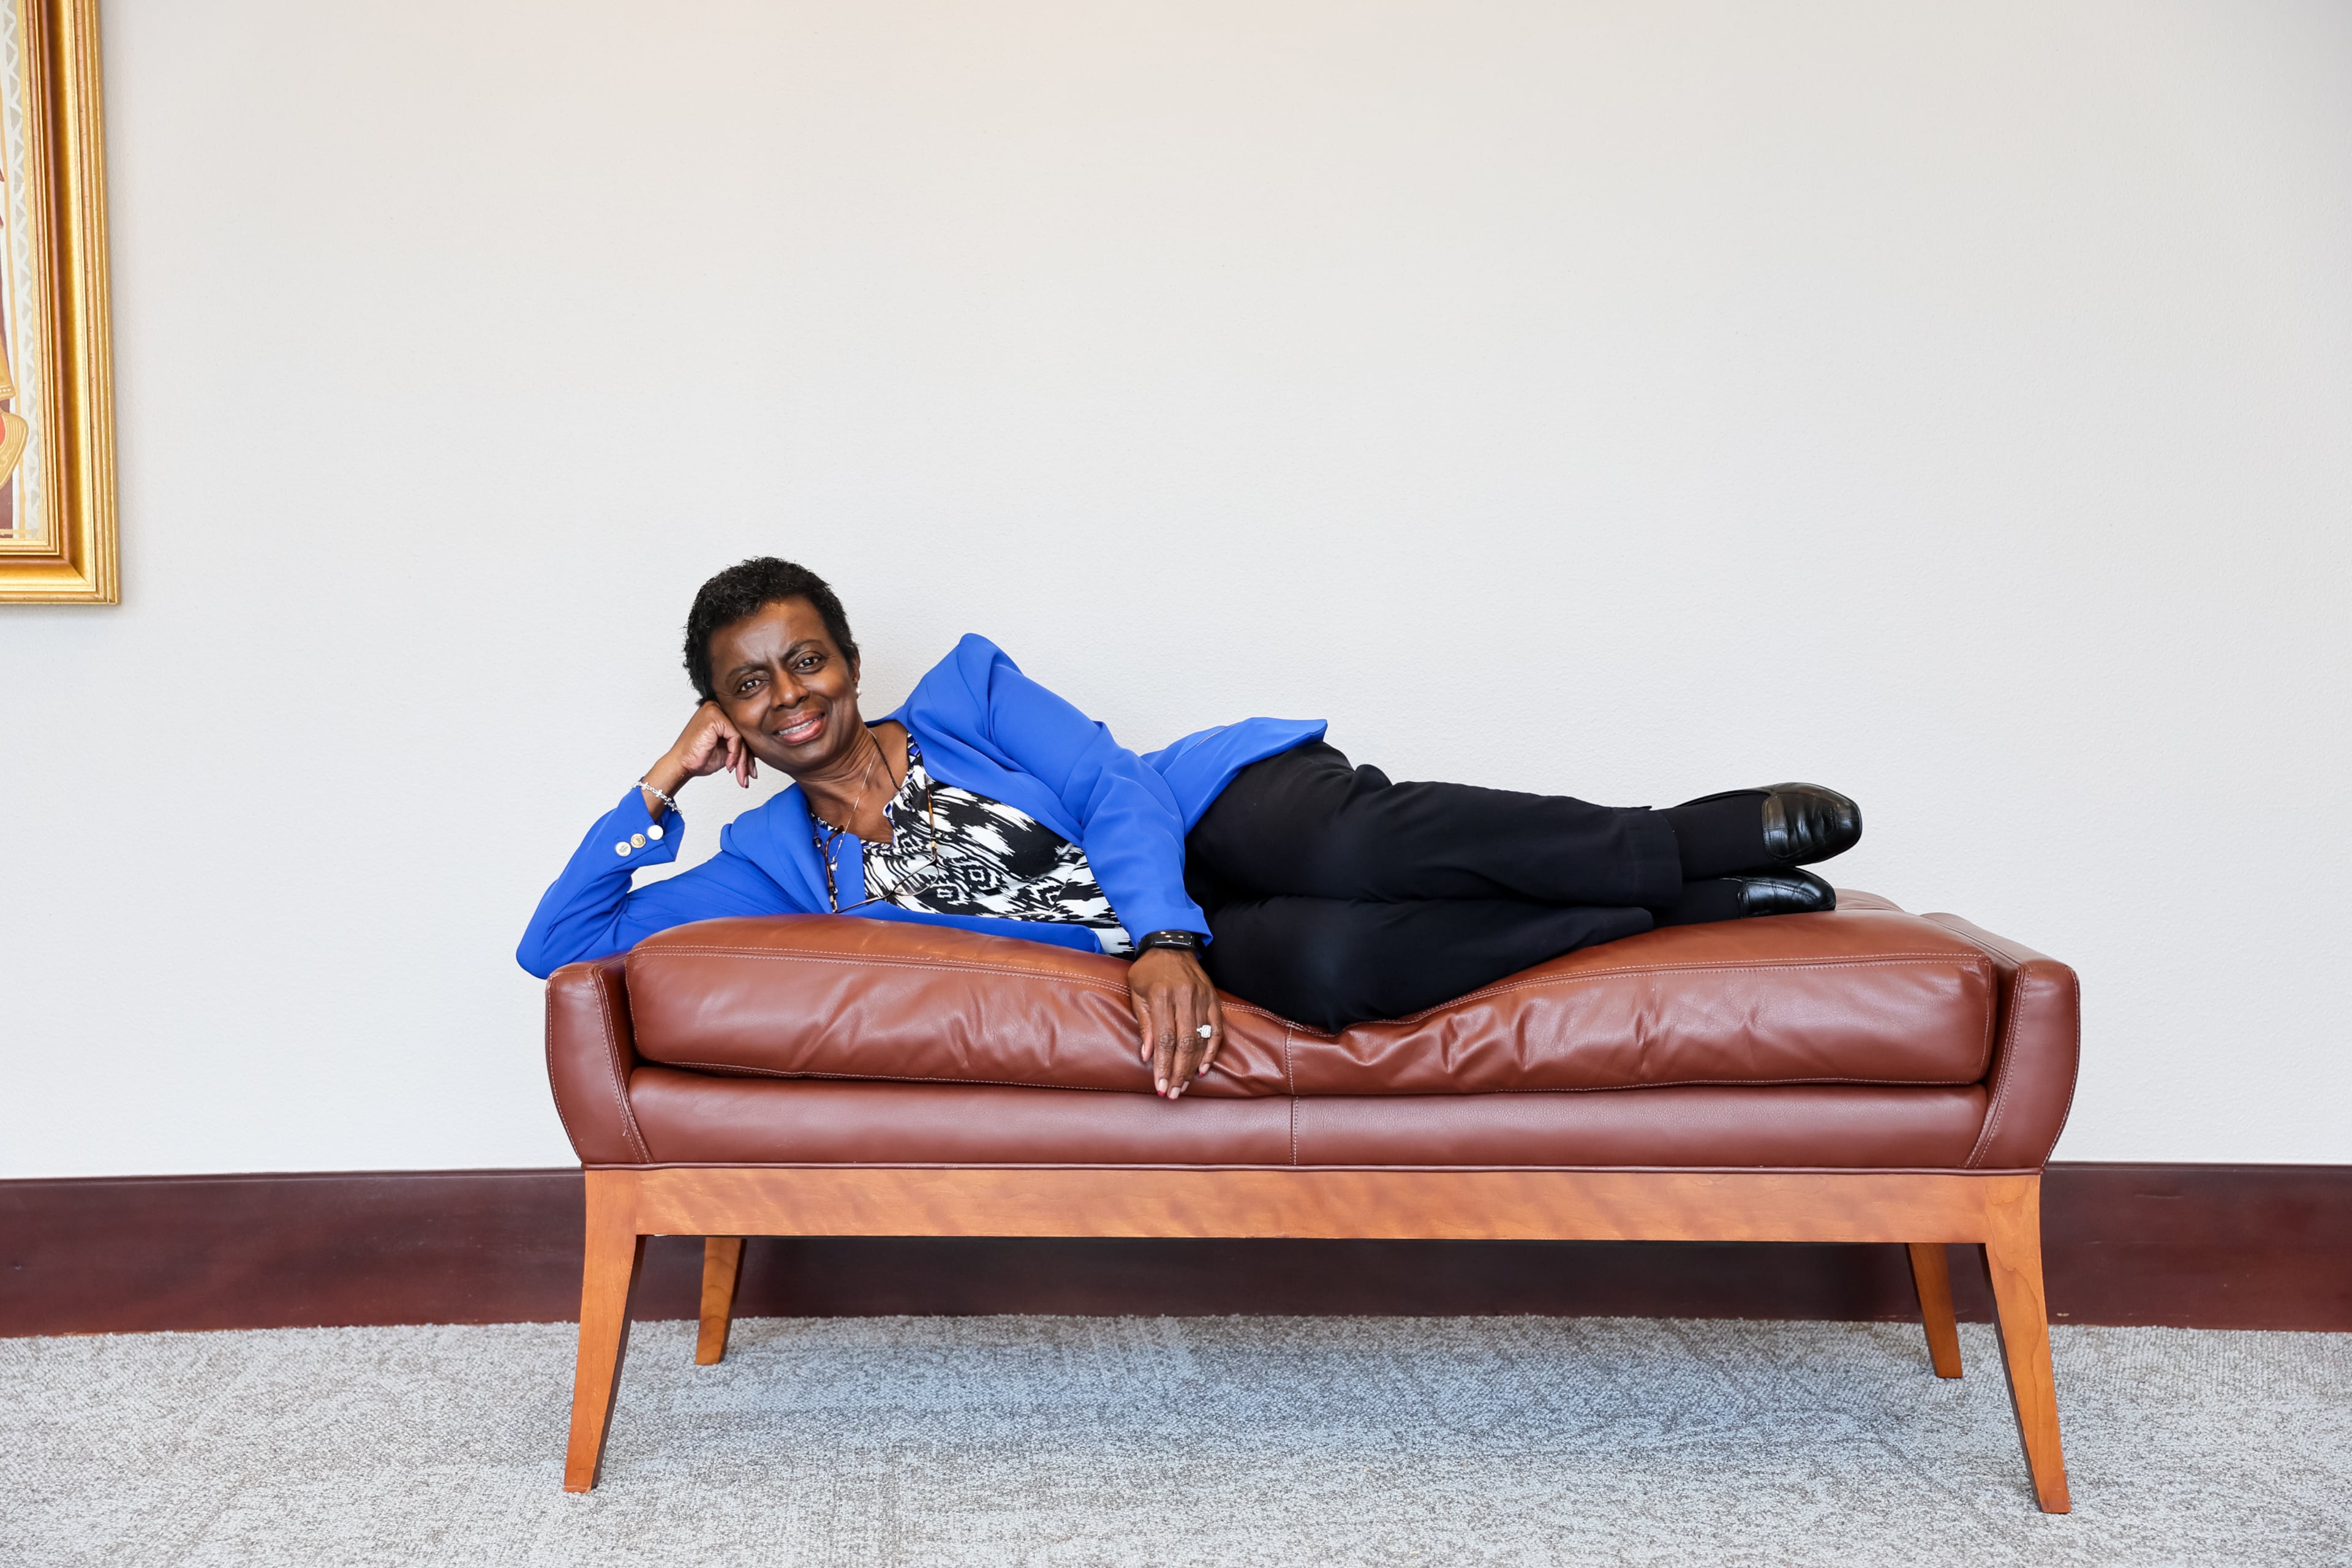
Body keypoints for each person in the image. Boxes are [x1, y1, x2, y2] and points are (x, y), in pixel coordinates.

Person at [519, 557, 1862, 1101]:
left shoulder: (970, 691)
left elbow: (1110, 785)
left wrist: (1165, 929)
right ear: (724, 716)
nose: (789, 695)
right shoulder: (770, 865)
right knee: (1334, 977)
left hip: (1204, 820)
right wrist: (656, 786)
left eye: (804, 660)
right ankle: (1658, 913)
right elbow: (560, 947)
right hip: (1176, 943)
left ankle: (1679, 836)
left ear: (852, 658)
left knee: (1347, 849)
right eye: (750, 684)